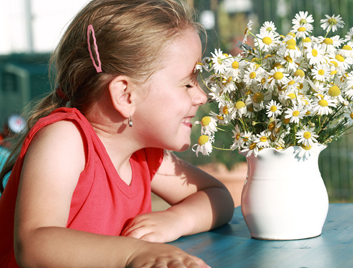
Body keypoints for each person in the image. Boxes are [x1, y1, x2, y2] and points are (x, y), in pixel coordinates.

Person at [0, 0, 234, 267]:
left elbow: (217, 196)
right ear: (125, 95)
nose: (202, 95)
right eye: (187, 83)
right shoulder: (65, 140)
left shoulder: (144, 155)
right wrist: (134, 253)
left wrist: (176, 220)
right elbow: (33, 244)